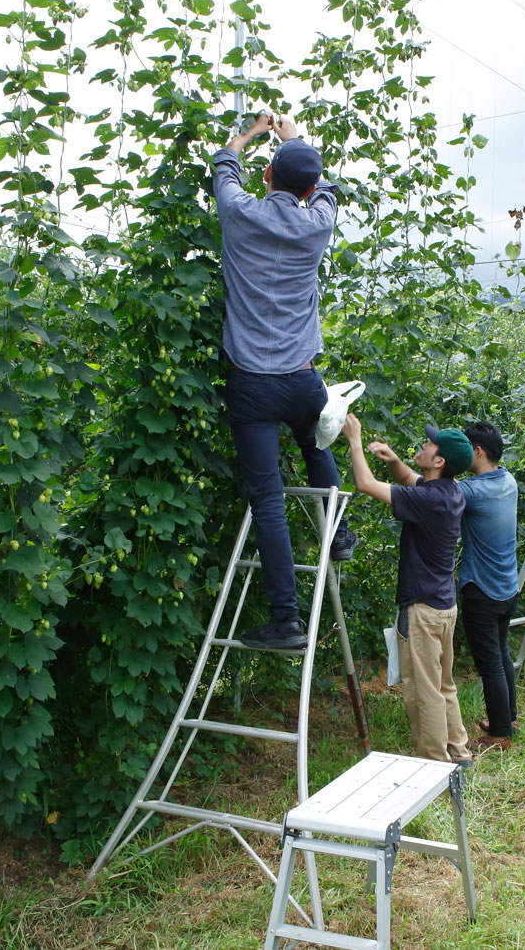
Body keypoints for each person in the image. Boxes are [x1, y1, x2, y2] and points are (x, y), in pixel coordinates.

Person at [211, 112, 358, 651]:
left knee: (267, 499)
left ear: (267, 175)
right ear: (310, 186)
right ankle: (337, 533)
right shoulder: (319, 220)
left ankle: (286, 621)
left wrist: (251, 133)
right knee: (317, 436)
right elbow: (328, 189)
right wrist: (294, 136)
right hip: (301, 380)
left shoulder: (239, 213)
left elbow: (224, 166)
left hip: (252, 383)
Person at [342, 416, 473, 764]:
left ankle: (434, 765)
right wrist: (395, 459)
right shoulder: (450, 492)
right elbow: (408, 479)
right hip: (444, 607)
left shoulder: (428, 499)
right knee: (443, 685)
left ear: (439, 461)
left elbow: (366, 484)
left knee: (423, 692)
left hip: (423, 610)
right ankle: (459, 753)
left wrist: (355, 440)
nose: (425, 444)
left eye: (430, 445)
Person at [458, 421, 519, 751]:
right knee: (502, 655)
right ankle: (506, 718)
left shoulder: (474, 491)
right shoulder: (509, 481)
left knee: (491, 664)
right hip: (508, 589)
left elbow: (428, 489)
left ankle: (498, 735)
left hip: (482, 591)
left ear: (477, 451)